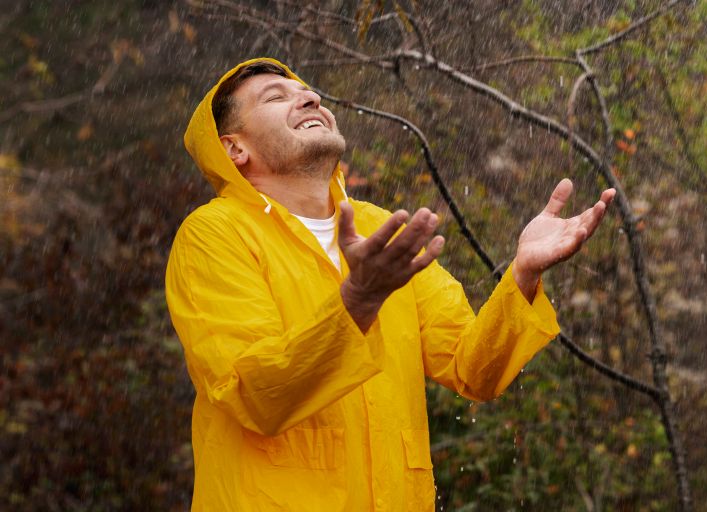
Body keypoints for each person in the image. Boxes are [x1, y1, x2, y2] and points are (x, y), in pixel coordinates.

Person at [165, 58, 615, 511]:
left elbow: (473, 369)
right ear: (234, 149)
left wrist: (522, 276)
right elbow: (254, 395)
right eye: (276, 97)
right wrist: (359, 300)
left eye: (307, 90)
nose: (309, 97)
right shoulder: (213, 235)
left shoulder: (381, 229)